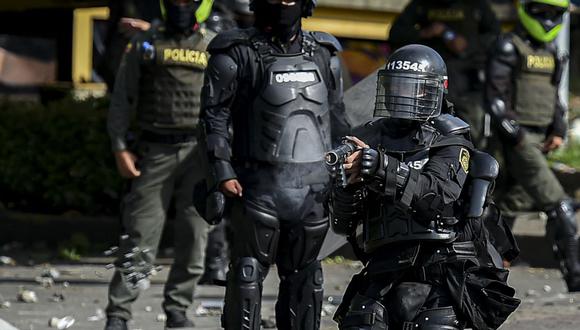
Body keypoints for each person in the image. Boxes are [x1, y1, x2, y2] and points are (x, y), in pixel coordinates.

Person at [329, 45, 519, 329]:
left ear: (435, 91)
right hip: (385, 266)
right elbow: (343, 224)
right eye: (397, 87)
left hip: (442, 266)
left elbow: (439, 199)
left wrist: (383, 168)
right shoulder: (368, 137)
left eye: (414, 89)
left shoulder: (450, 138)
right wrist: (348, 184)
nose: (404, 95)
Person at [200, 0, 350, 328]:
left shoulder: (324, 52)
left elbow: (337, 116)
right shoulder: (236, 52)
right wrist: (221, 170)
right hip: (257, 184)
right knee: (247, 273)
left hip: (313, 187)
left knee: (307, 277)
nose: (283, 6)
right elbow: (214, 118)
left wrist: (345, 158)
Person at [104, 1, 215, 329]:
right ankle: (119, 313)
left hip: (199, 154)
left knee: (195, 238)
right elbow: (122, 97)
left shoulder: (213, 44)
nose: (182, 7)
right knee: (140, 236)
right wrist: (119, 146)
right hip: (155, 152)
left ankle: (178, 309)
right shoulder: (146, 42)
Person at [484, 0, 580, 291]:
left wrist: (559, 129)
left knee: (506, 206)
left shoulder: (552, 52)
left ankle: (488, 270)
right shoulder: (509, 46)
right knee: (559, 204)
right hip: (518, 140)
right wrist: (519, 138)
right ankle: (575, 277)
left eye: (555, 14)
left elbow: (554, 100)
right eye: (542, 12)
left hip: (539, 140)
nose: (548, 20)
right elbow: (496, 100)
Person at [389, 0, 500, 147]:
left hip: (467, 82)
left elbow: (495, 36)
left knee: (473, 134)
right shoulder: (422, 5)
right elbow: (396, 34)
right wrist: (425, 33)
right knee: (424, 132)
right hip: (429, 82)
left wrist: (468, 44)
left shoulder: (476, 5)